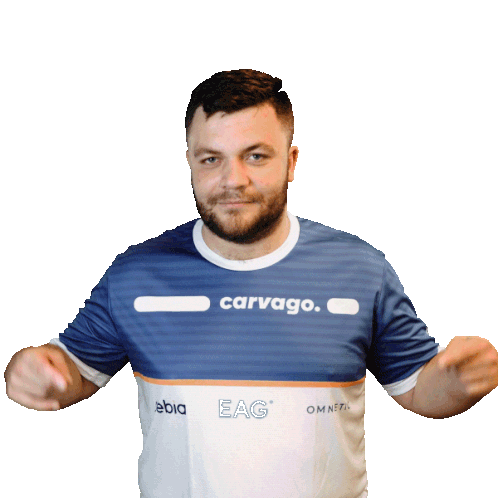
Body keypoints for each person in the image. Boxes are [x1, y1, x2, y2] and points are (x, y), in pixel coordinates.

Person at [4, 69, 498, 498]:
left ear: (293, 160)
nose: (232, 179)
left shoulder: (359, 268)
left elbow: (419, 390)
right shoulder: (137, 272)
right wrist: (28, 370)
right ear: (189, 161)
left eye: (256, 156)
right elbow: (69, 370)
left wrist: (456, 382)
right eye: (211, 158)